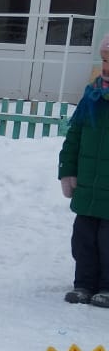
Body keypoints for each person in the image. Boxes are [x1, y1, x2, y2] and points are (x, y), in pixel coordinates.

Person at [58, 32, 109, 306]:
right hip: (88, 187)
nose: (106, 66)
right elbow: (74, 136)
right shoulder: (92, 96)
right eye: (104, 60)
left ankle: (107, 287)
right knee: (83, 240)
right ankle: (84, 284)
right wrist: (68, 170)